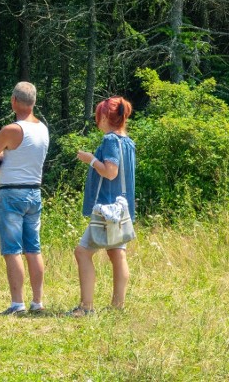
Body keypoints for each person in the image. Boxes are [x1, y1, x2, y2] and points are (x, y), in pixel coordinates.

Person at [0, 82, 50, 315]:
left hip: (11, 192)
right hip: (35, 191)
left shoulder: (11, 130)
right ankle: (37, 301)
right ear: (33, 102)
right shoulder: (43, 128)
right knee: (33, 248)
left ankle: (17, 303)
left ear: (13, 101)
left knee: (12, 249)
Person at [69, 96, 136, 316]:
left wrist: (90, 159)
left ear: (106, 116)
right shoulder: (128, 142)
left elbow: (110, 171)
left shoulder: (109, 141)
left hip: (107, 209)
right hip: (122, 208)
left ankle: (86, 307)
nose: (97, 120)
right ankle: (118, 307)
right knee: (117, 254)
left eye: (99, 116)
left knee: (82, 253)